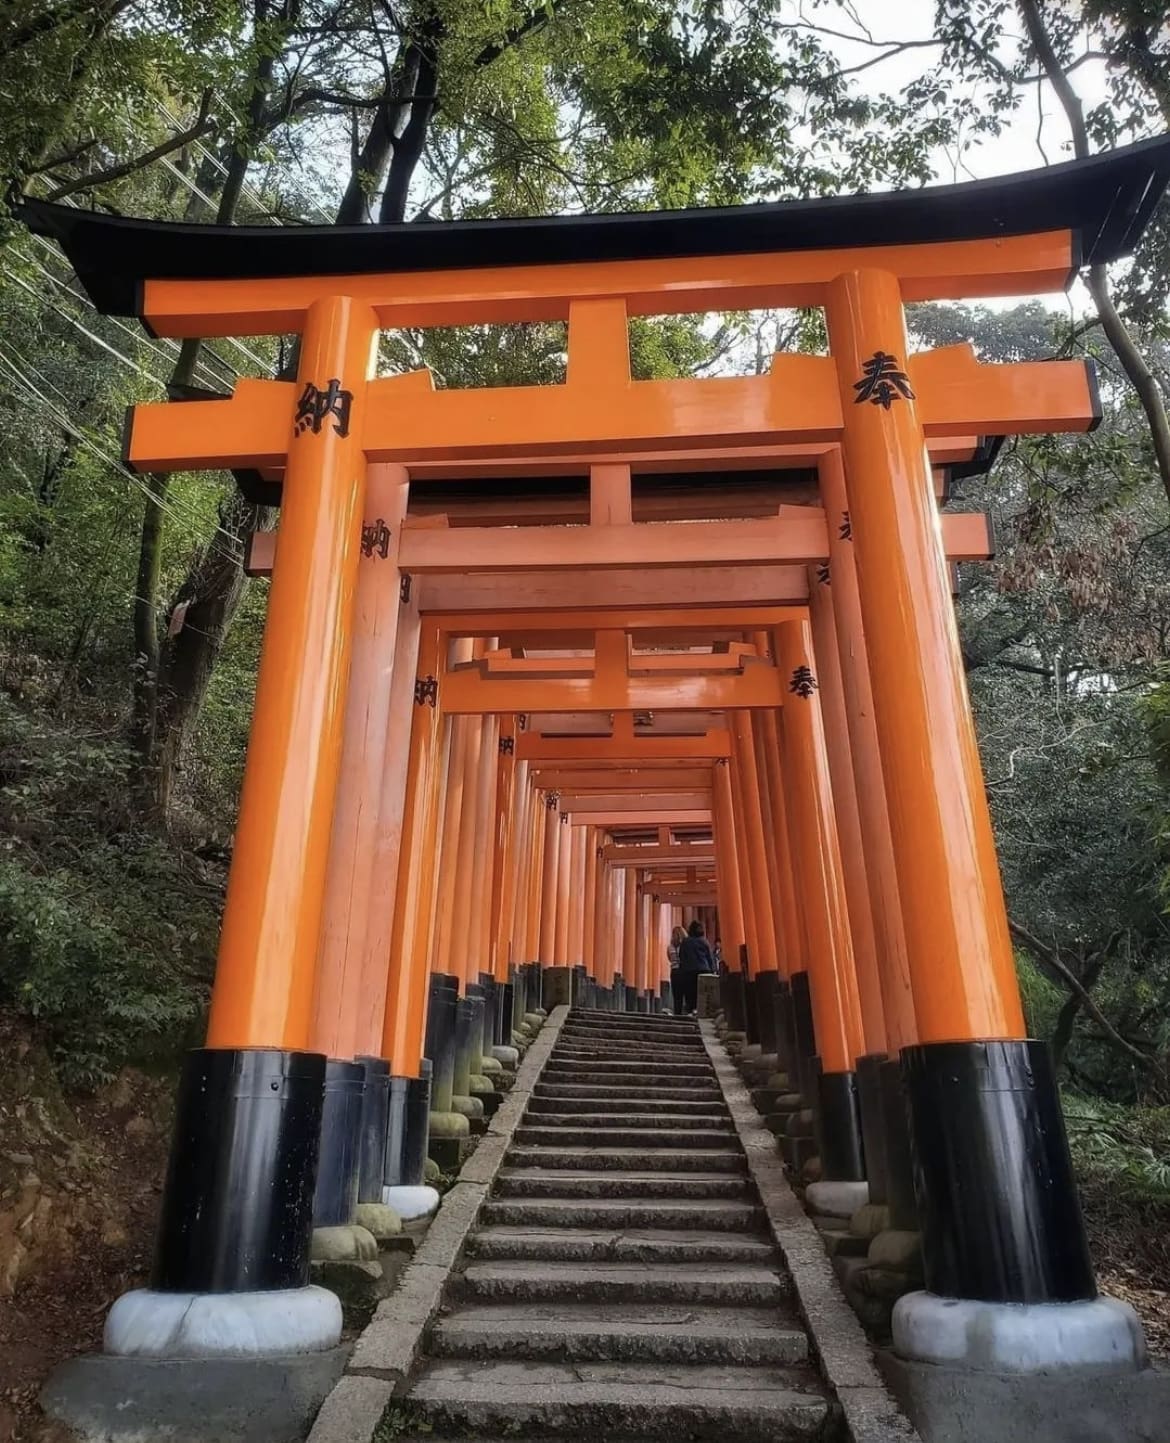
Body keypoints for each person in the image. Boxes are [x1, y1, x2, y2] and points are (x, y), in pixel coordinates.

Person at [675, 919, 716, 1016]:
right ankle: (700, 1012)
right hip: (704, 970)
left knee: (690, 994)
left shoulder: (685, 942)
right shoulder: (704, 942)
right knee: (702, 994)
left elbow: (681, 956)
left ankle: (691, 1010)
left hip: (688, 972)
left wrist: (682, 970)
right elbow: (709, 957)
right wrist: (713, 970)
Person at [667, 924, 685, 1012]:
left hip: (674, 971)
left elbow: (669, 958)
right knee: (684, 993)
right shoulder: (685, 946)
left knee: (676, 994)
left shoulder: (670, 947)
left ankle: (677, 1012)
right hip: (683, 970)